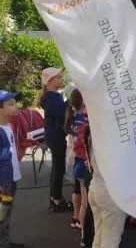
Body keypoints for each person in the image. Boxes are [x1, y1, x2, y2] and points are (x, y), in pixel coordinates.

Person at [35, 67, 73, 212]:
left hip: (54, 135)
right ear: (49, 81)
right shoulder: (51, 97)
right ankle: (57, 200)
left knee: (58, 167)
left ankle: (55, 198)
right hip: (55, 136)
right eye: (59, 77)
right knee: (59, 169)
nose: (62, 79)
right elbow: (62, 116)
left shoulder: (52, 96)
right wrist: (71, 102)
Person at [87, 118, 126, 248]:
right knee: (110, 240)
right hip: (110, 192)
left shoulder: (94, 133)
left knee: (99, 235)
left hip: (96, 186)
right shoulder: (112, 137)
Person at [0, 90, 25, 248]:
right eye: (11, 104)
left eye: (15, 103)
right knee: (2, 215)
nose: (16, 106)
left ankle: (5, 242)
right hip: (4, 182)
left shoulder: (8, 125)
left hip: (10, 179)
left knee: (5, 215)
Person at [63, 86, 89, 234]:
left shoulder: (72, 117)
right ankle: (84, 230)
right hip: (82, 161)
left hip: (75, 160)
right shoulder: (83, 119)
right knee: (85, 200)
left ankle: (77, 219)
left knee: (78, 191)